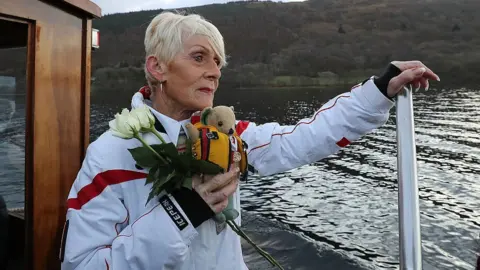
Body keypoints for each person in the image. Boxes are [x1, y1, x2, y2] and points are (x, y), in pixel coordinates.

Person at [60, 11, 440, 270]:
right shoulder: (110, 154)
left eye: (218, 63)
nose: (214, 72)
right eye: (199, 58)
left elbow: (303, 138)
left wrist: (378, 90)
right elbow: (83, 264)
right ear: (157, 67)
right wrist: (182, 212)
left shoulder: (227, 138)